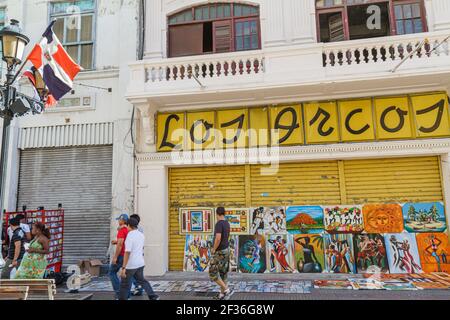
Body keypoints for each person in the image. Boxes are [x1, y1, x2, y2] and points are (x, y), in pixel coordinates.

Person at [119, 217, 159, 300]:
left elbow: (127, 252)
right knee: (142, 281)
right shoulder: (141, 235)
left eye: (126, 226)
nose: (126, 228)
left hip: (131, 265)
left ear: (129, 225)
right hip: (140, 263)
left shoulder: (130, 236)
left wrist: (123, 267)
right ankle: (153, 296)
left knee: (124, 284)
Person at [209, 207, 233, 300]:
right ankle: (221, 294)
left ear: (217, 214)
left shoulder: (219, 224)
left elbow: (218, 238)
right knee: (223, 273)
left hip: (219, 252)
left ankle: (226, 289)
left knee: (213, 273)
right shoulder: (227, 223)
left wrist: (214, 249)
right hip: (226, 250)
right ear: (224, 213)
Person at [109, 213, 129, 299]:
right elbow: (124, 241)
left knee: (112, 272)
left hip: (121, 255)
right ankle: (127, 295)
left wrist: (115, 257)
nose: (118, 221)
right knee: (128, 276)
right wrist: (116, 242)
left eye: (119, 220)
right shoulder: (128, 229)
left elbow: (120, 244)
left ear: (122, 220)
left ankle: (118, 293)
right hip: (127, 255)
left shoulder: (121, 230)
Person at [128, 214, 144, 296]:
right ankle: (139, 288)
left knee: (131, 273)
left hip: (133, 254)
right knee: (138, 273)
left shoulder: (133, 230)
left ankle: (136, 289)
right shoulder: (140, 229)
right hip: (139, 254)